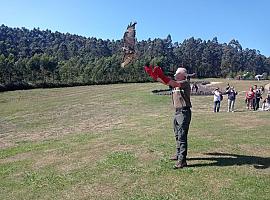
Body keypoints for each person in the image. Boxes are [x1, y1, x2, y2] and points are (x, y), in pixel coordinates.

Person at [144, 66, 192, 169]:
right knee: (177, 135)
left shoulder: (184, 83)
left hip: (184, 111)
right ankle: (178, 155)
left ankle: (182, 161)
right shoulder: (174, 84)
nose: (175, 75)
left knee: (182, 136)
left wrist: (161, 75)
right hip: (177, 112)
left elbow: (173, 83)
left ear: (183, 75)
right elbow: (166, 82)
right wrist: (154, 76)